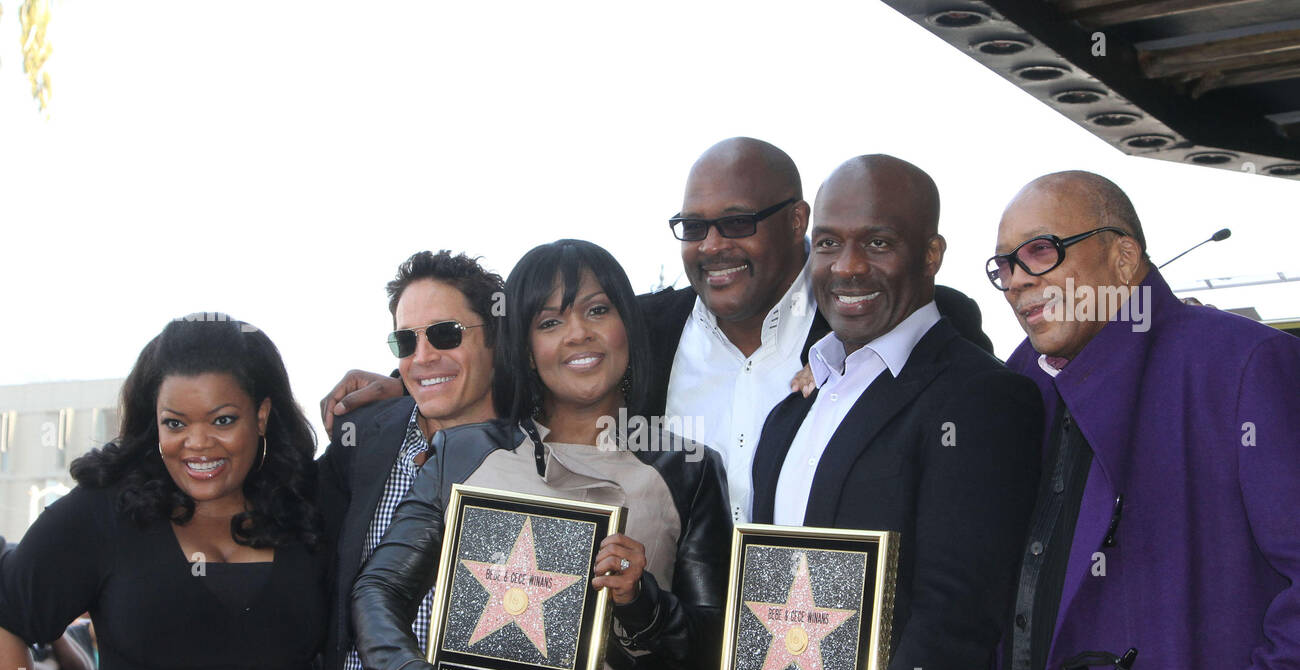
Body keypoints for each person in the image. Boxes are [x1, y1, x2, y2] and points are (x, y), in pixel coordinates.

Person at [677, 156, 1042, 670]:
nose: (847, 267)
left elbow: (957, 618)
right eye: (828, 243)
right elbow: (768, 603)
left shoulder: (977, 397)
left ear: (930, 254)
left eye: (877, 243)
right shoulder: (796, 409)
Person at [320, 138, 992, 525]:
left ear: (797, 222)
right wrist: (409, 390)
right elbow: (542, 373)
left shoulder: (867, 322)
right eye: (693, 228)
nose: (712, 245)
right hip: (663, 661)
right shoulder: (637, 329)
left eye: (736, 222)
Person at [351, 239, 731, 670]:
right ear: (522, 345)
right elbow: (375, 590)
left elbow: (715, 649)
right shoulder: (464, 454)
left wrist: (643, 603)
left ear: (627, 327)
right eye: (549, 321)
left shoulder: (688, 468)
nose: (577, 335)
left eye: (597, 310)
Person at [989, 171, 1300, 670]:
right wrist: (831, 378)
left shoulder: (1244, 363)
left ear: (1124, 257)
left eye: (1040, 251)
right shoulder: (1022, 385)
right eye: (1004, 265)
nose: (1015, 281)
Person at [0, 313, 327, 670]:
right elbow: (6, 624)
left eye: (223, 420)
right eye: (175, 423)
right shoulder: (102, 514)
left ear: (263, 414)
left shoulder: (311, 513)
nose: (197, 444)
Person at [310, 250, 502, 670]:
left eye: (445, 334)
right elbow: (274, 531)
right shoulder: (364, 435)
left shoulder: (538, 451)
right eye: (406, 339)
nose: (423, 357)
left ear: (494, 336)